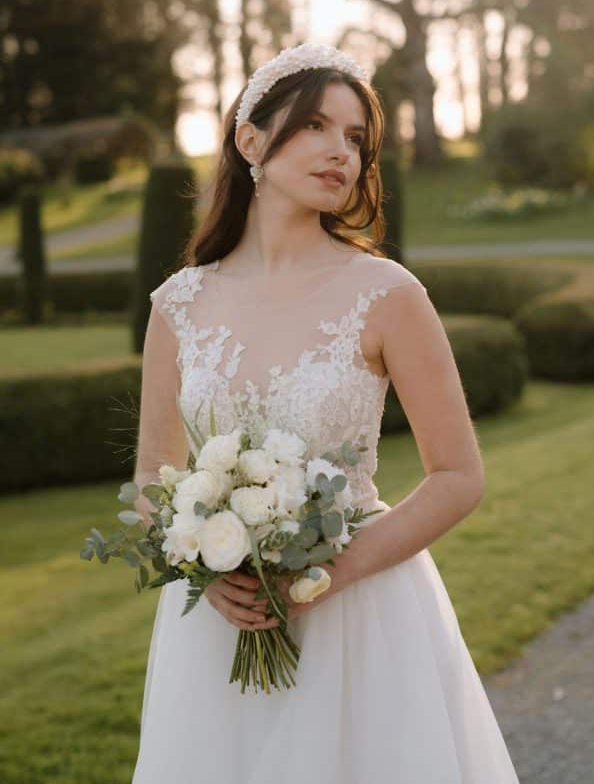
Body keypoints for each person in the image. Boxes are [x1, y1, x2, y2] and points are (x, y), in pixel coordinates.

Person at [131, 42, 520, 782]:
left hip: (362, 620)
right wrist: (206, 570)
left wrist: (328, 576)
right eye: (315, 125)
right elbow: (155, 472)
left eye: (355, 138)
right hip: (217, 629)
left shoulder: (387, 294)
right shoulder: (177, 305)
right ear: (251, 140)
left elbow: (458, 476)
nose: (341, 151)